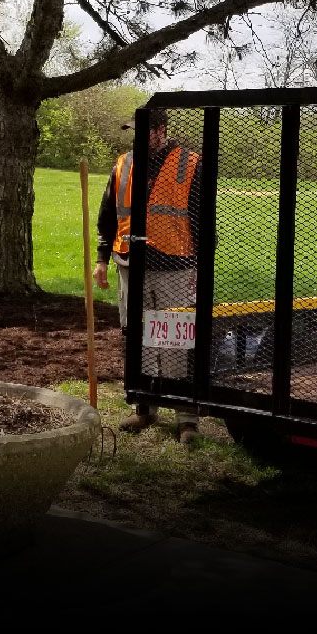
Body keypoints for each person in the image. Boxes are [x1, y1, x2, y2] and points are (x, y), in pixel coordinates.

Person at [93, 108, 206, 443]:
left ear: (161, 131)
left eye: (144, 131)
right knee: (136, 336)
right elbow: (107, 215)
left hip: (175, 265)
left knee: (175, 337)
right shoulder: (122, 164)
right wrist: (101, 260)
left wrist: (200, 267)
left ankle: (186, 418)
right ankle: (143, 407)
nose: (137, 138)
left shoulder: (191, 163)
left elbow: (202, 220)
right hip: (130, 263)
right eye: (133, 131)